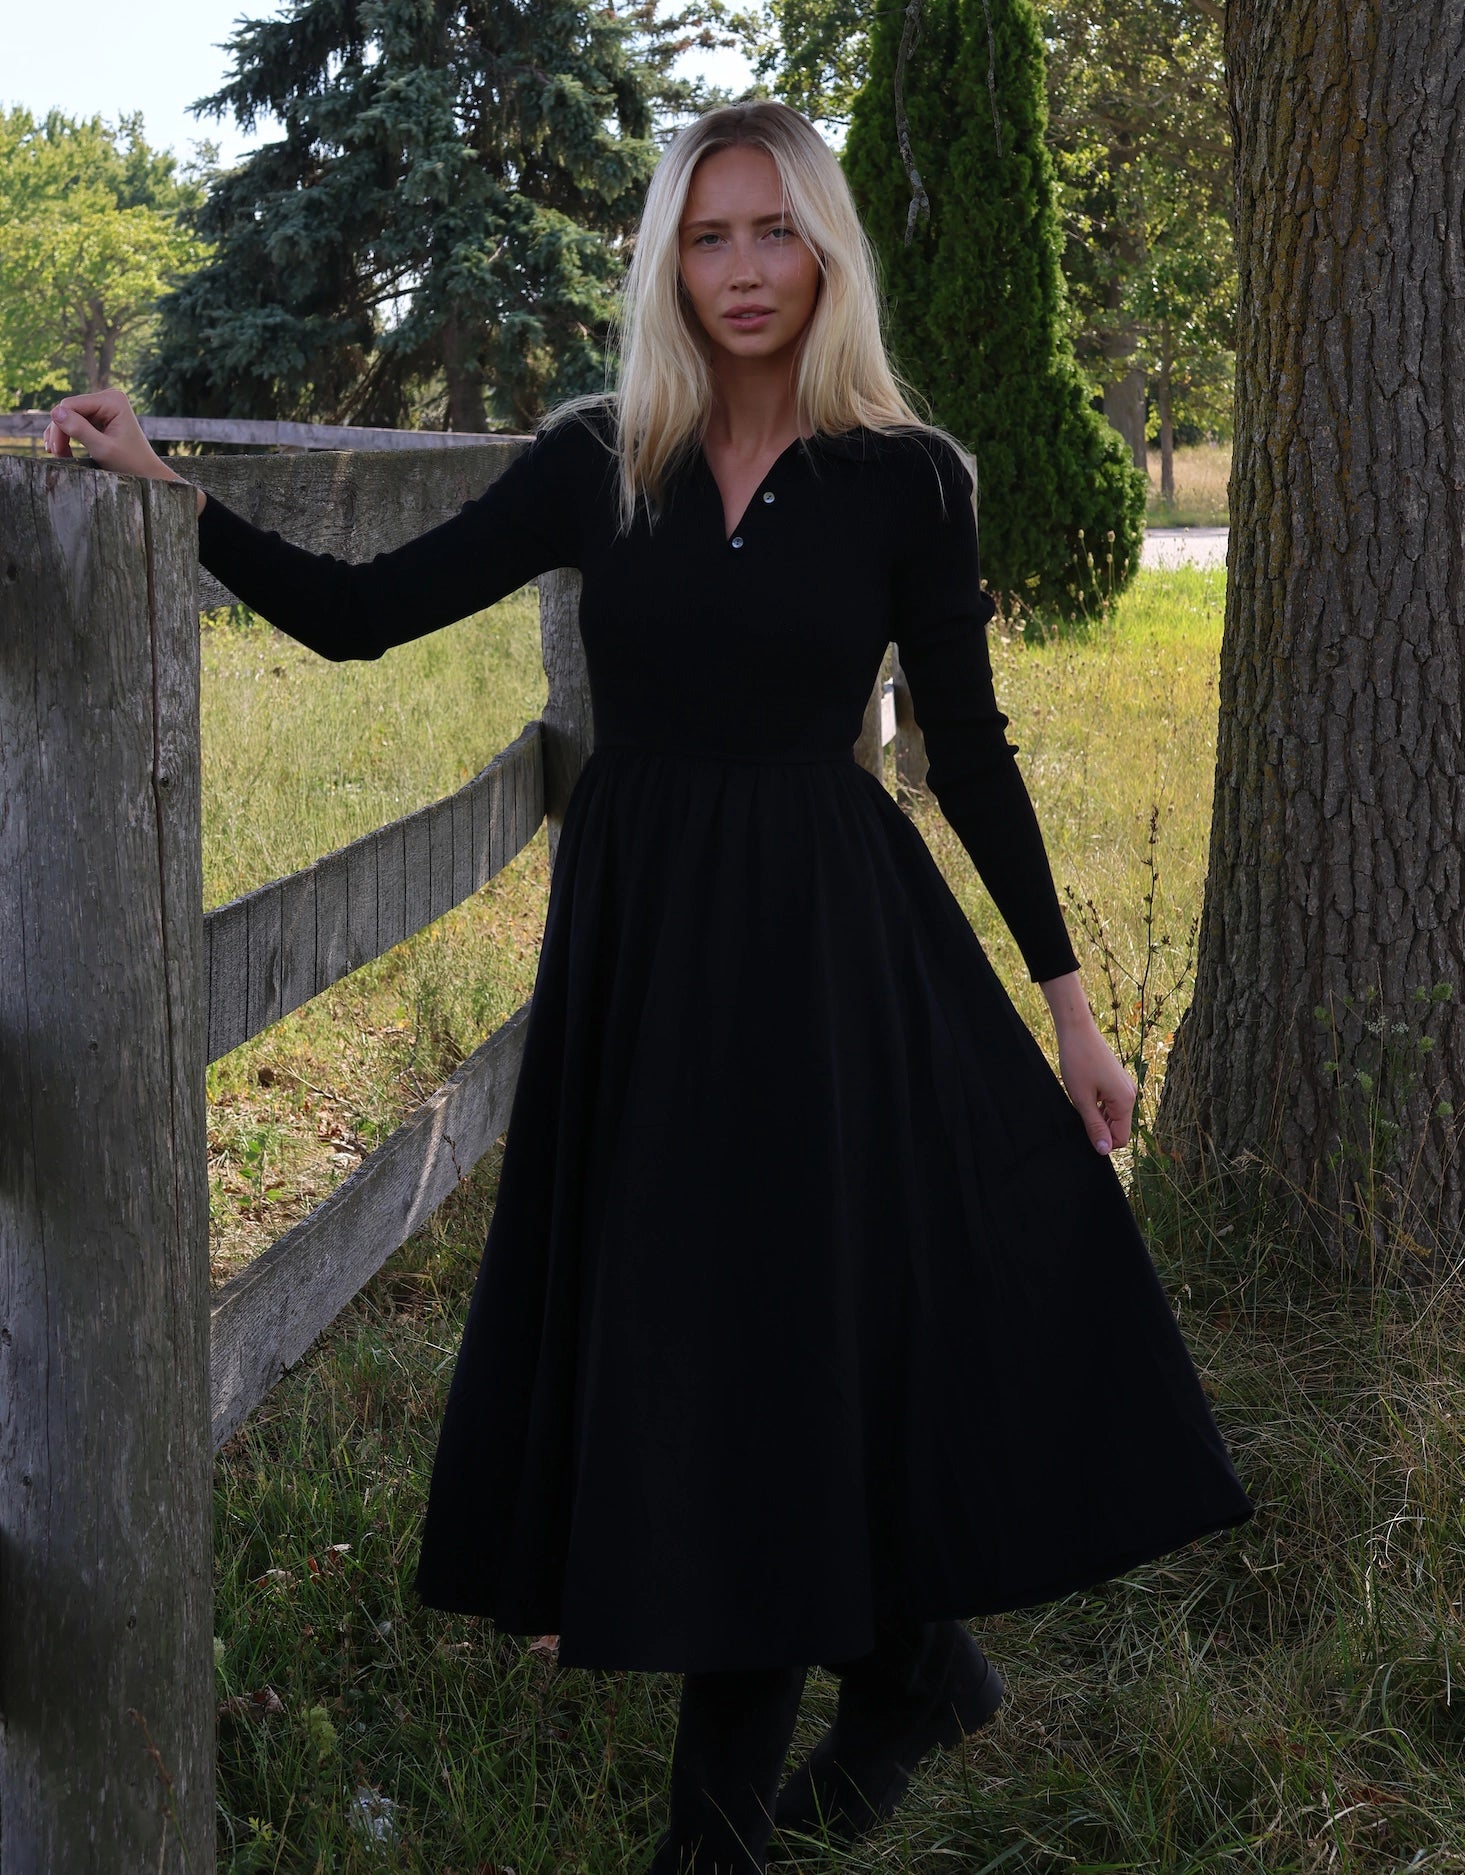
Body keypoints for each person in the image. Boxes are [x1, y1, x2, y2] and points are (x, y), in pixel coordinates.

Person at [46, 97, 1253, 1875]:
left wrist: (1071, 1006)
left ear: (826, 251)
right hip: (652, 960)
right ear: (667, 261)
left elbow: (971, 755)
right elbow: (364, 616)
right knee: (731, 1337)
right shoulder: (598, 458)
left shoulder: (907, 477)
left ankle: (720, 1838)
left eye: (775, 233)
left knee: (797, 1341)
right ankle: (912, 1671)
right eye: (708, 236)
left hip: (840, 965)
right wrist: (174, 494)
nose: (744, 270)